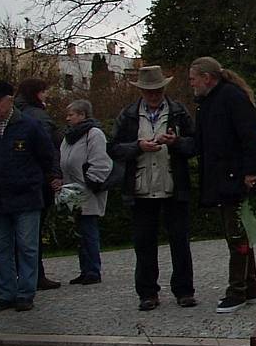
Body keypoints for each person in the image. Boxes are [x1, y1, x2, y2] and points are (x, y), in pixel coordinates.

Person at [109, 66, 197, 311]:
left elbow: (195, 145)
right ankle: (147, 293)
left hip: (173, 186)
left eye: (157, 91)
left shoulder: (178, 112)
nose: (154, 95)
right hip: (140, 189)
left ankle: (184, 291)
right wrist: (138, 147)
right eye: (149, 91)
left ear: (163, 89)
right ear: (141, 92)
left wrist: (176, 142)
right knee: (144, 243)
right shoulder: (128, 115)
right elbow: (114, 148)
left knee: (180, 241)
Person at [189, 56, 256, 314]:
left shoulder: (230, 97)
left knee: (236, 234)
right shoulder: (208, 103)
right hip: (222, 176)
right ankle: (250, 285)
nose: (192, 85)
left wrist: (251, 171)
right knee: (238, 231)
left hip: (234, 176)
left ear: (207, 77)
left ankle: (237, 290)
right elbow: (203, 142)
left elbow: (251, 133)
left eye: (193, 79)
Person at [0, 80, 55, 312]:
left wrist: (36, 181)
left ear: (10, 100)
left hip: (26, 197)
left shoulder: (30, 126)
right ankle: (6, 293)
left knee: (27, 246)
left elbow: (46, 156)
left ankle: (25, 293)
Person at [15, 78, 63, 290]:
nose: (46, 96)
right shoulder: (38, 116)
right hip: (37, 180)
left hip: (16, 179)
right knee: (32, 231)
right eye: (44, 92)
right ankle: (35, 275)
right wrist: (53, 174)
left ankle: (24, 275)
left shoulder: (13, 113)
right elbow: (48, 149)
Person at [58, 100, 112, 286]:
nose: (68, 118)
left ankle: (93, 270)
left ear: (82, 115)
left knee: (89, 228)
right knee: (79, 229)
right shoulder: (68, 137)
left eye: (71, 114)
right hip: (71, 188)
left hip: (87, 187)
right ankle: (84, 269)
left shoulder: (93, 134)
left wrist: (91, 180)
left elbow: (100, 160)